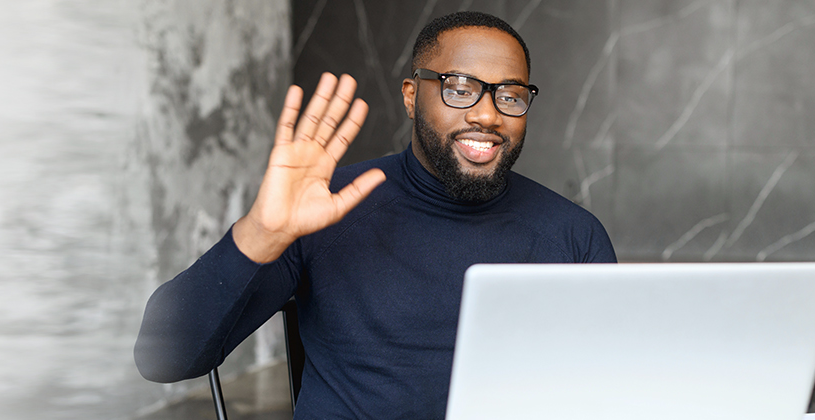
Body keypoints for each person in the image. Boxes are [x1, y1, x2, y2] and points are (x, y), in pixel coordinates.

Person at [134, 11, 616, 418]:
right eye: (460, 88)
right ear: (411, 96)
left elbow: (613, 389)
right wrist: (261, 234)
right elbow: (163, 359)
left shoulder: (573, 236)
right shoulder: (323, 208)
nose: (488, 115)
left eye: (510, 95)